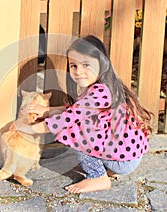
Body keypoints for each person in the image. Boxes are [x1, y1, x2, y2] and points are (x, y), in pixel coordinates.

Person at [15, 35, 153, 193]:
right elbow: (76, 110)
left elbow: (68, 118)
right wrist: (46, 111)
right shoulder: (105, 86)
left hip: (122, 161)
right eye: (73, 65)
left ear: (101, 64)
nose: (78, 71)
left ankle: (97, 177)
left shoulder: (100, 92)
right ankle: (107, 167)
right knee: (79, 122)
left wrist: (29, 129)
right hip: (127, 155)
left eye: (86, 65)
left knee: (74, 129)